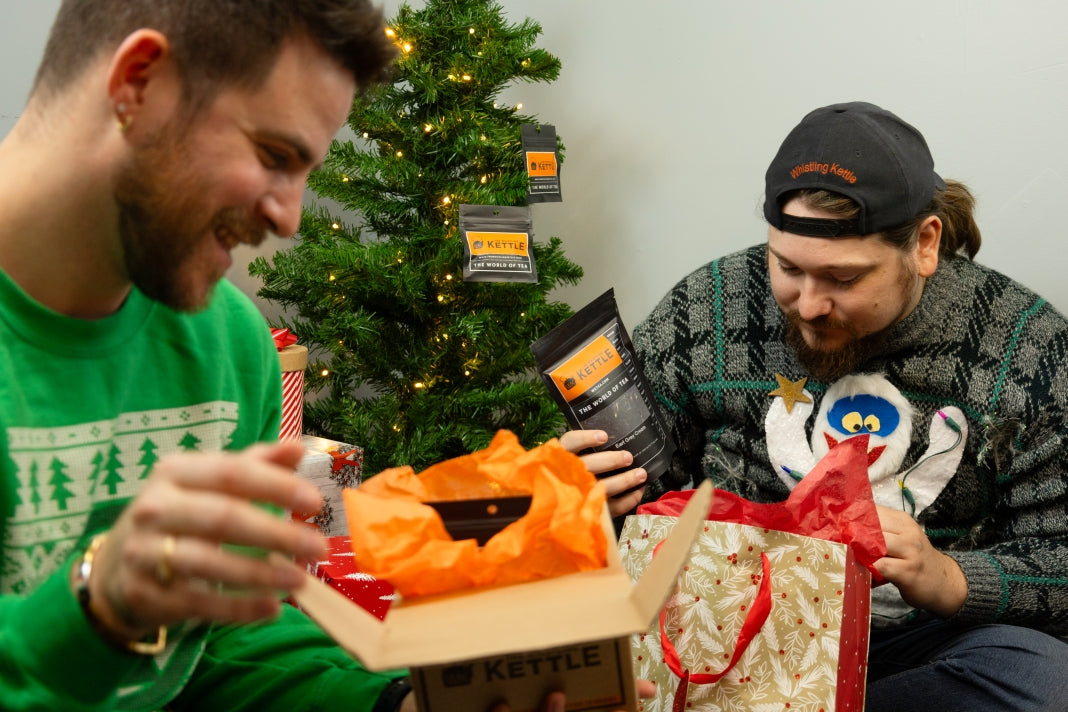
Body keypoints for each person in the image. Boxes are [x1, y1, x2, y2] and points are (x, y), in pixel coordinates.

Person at [0, 2, 648, 711]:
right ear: (139, 84)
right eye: (274, 156)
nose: (290, 217)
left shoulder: (227, 344)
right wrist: (97, 605)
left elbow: (221, 648)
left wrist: (406, 705)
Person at [627, 101, 1068, 711]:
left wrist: (949, 579)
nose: (807, 304)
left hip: (912, 648)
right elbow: (647, 496)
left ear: (925, 244)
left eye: (843, 278)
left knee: (1044, 681)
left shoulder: (1027, 346)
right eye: (787, 267)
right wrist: (604, 485)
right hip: (726, 627)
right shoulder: (710, 307)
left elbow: (1060, 553)